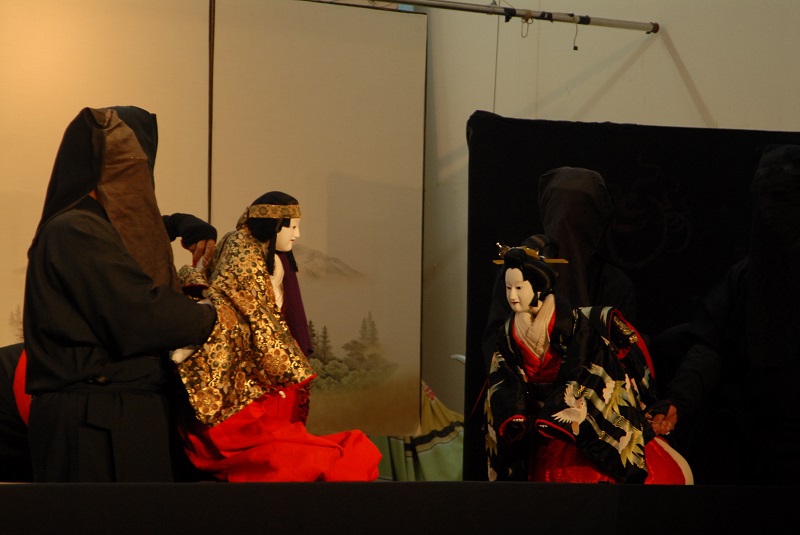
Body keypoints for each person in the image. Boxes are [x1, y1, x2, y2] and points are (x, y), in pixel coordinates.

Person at [23, 106, 217, 482]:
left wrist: (177, 224)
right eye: (133, 164)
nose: (140, 178)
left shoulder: (87, 227)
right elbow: (139, 315)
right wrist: (212, 314)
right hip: (98, 420)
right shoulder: (77, 229)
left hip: (113, 411)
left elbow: (134, 230)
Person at [174, 191, 381, 482]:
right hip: (236, 343)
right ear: (273, 225)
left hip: (249, 346)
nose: (297, 234)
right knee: (272, 448)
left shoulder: (267, 254)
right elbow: (245, 300)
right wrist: (278, 352)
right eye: (292, 226)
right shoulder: (243, 249)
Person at [651, 144, 800, 485]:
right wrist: (679, 402)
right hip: (754, 441)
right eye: (764, 197)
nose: (771, 208)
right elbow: (712, 344)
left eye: (783, 197)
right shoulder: (749, 276)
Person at [484, 245, 690, 484]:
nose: (512, 295)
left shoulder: (570, 321)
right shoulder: (508, 330)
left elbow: (585, 363)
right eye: (508, 288)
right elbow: (504, 370)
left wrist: (558, 405)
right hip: (535, 422)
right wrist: (514, 410)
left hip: (576, 414)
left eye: (519, 288)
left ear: (538, 286)